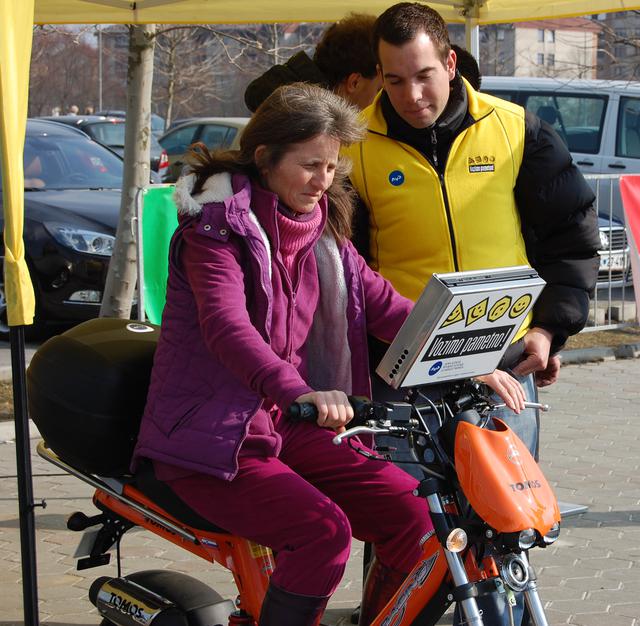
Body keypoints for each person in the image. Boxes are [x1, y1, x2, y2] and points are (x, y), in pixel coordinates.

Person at [132, 83, 525, 626]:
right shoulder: (214, 232)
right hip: (216, 436)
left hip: (283, 423)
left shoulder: (321, 230)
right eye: (310, 165)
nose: (323, 181)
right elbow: (227, 327)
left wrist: (474, 357)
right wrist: (300, 389)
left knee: (411, 515)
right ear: (266, 157)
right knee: (323, 532)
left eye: (332, 167)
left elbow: (386, 307)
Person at [349, 2, 600, 459]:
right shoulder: (353, 146)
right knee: (411, 526)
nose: (412, 95)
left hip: (505, 361)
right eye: (395, 80)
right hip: (404, 371)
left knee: (511, 523)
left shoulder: (518, 131)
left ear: (450, 64)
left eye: (424, 75)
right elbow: (343, 269)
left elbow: (571, 238)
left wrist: (547, 330)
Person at [244, 13, 381, 112]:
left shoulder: (293, 109)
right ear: (354, 82)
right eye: (378, 89)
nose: (381, 99)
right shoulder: (314, 126)